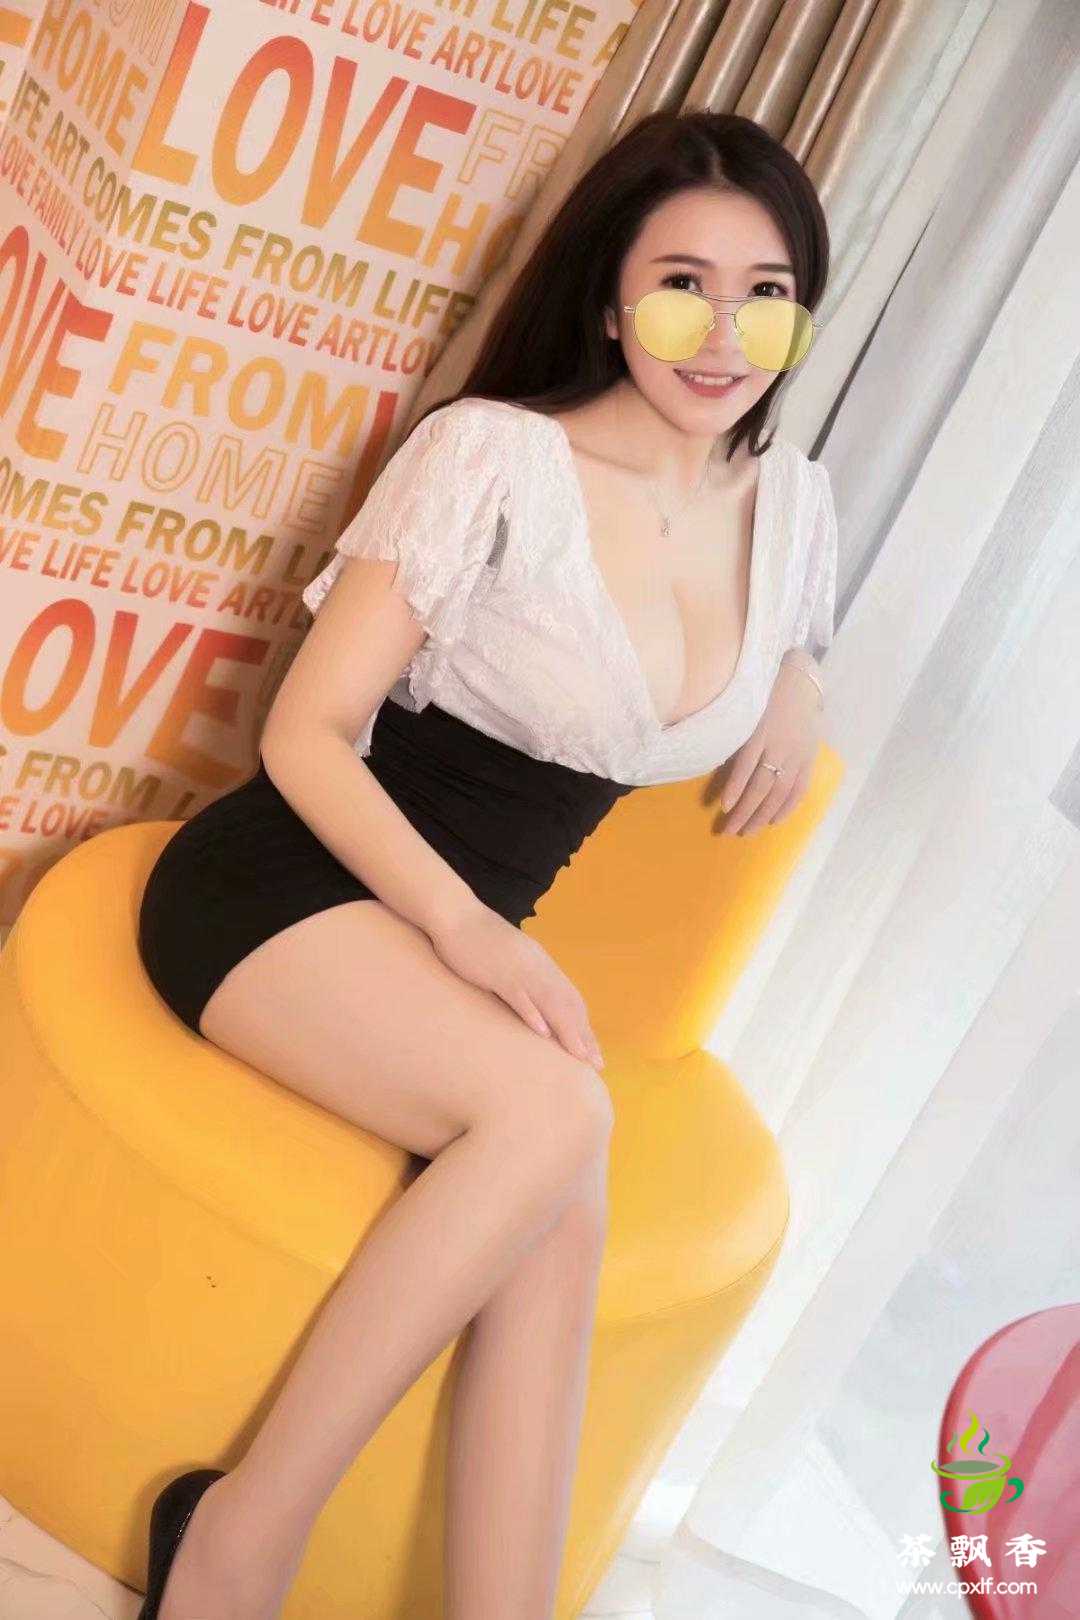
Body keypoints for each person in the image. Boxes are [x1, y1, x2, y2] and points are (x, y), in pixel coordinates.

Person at [134, 108, 837, 1620]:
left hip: (444, 949)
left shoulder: (793, 507)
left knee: (559, 1179)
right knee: (556, 1115)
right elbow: (306, 733)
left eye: (767, 292)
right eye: (682, 287)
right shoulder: (493, 458)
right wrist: (468, 934)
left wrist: (798, 678)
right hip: (293, 890)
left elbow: (776, 631)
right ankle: (237, 1548)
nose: (725, 334)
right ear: (610, 301)